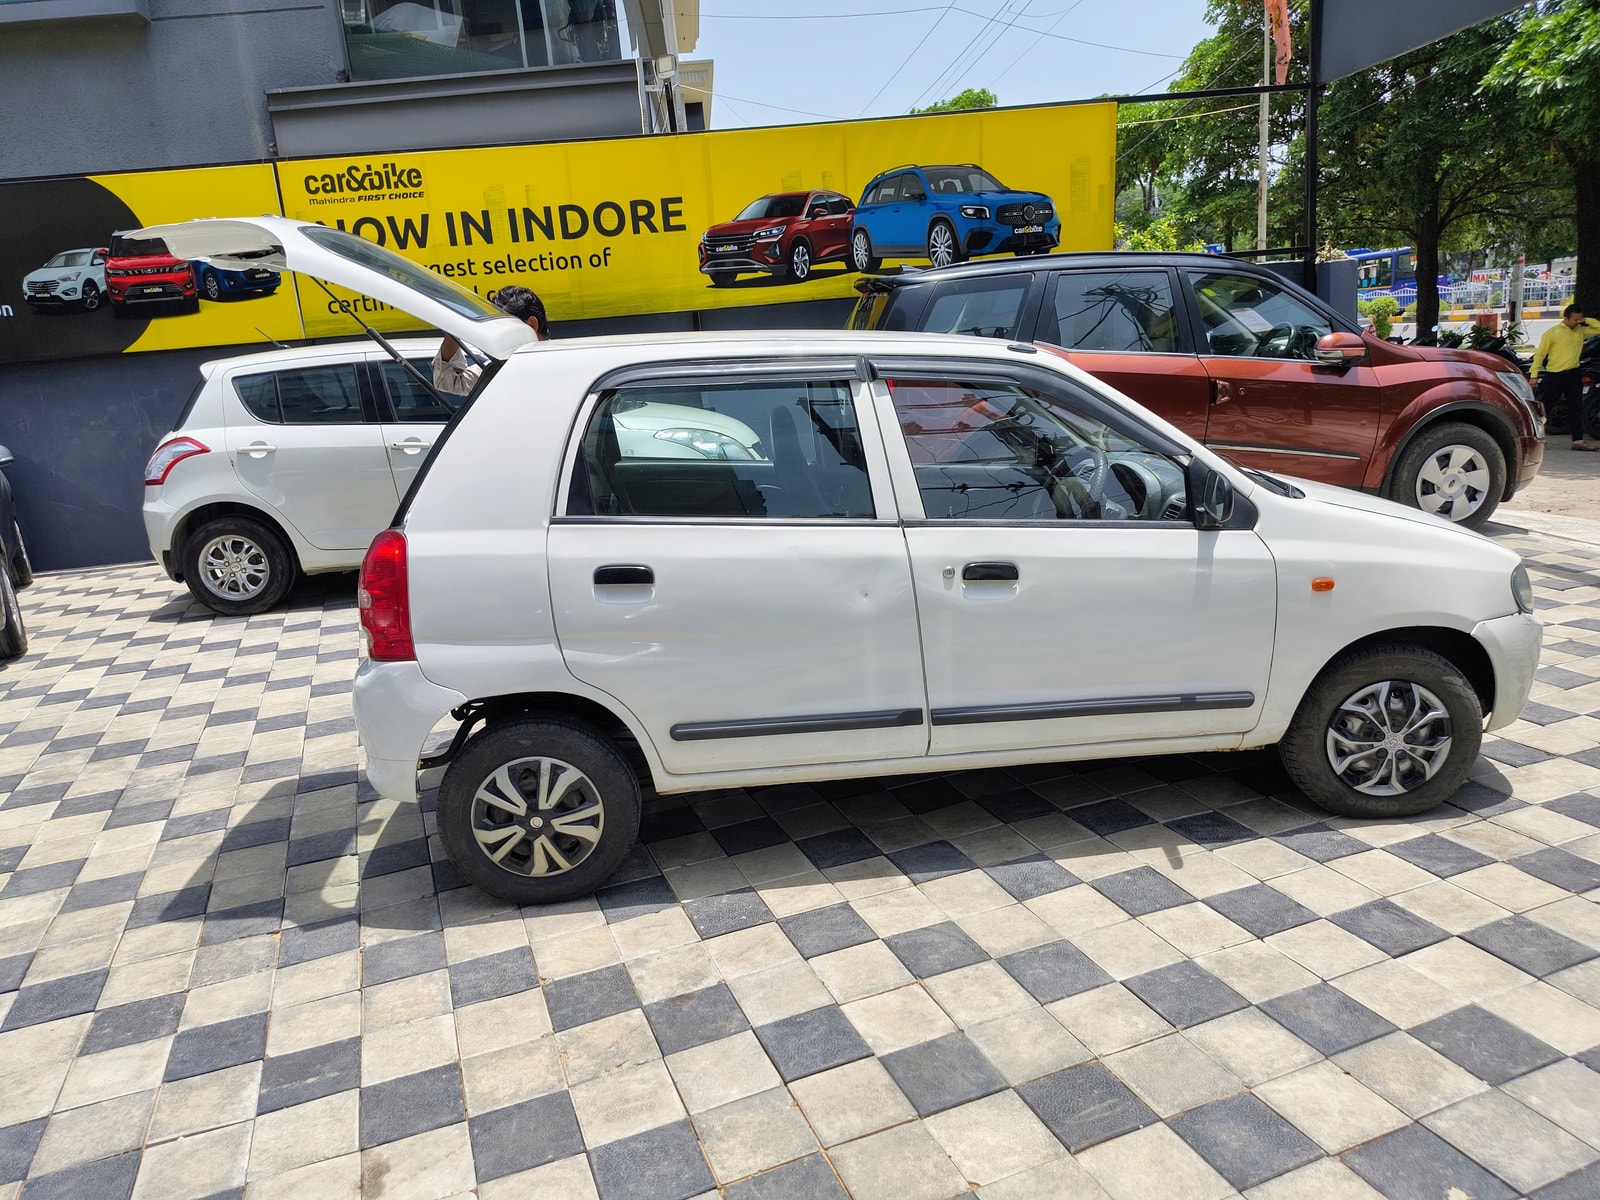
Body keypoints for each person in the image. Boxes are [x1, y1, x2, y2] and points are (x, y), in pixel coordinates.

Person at [432, 285, 549, 396]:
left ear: (532, 324)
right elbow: (446, 382)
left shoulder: (561, 363)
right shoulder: (499, 369)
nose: (499, 336)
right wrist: (455, 325)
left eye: (506, 329)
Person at [1530, 303, 1600, 451]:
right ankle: (1535, 438)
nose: (1577, 322)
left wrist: (1585, 320)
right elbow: (1540, 355)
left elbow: (1598, 328)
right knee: (1545, 408)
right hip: (1554, 375)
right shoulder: (1552, 333)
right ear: (1566, 318)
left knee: (1576, 407)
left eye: (1579, 319)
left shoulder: (1580, 331)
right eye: (1574, 319)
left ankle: (1578, 441)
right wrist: (1534, 375)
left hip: (1573, 374)